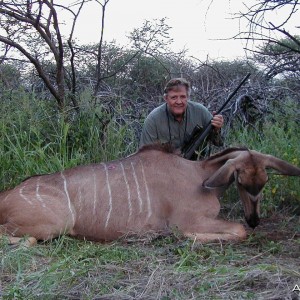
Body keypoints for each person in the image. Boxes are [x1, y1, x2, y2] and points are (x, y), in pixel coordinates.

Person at [139, 77, 224, 159]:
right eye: (174, 97)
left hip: (197, 165)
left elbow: (219, 143)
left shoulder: (201, 112)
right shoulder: (153, 119)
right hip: (166, 168)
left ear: (188, 97)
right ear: (166, 98)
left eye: (182, 97)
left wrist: (216, 129)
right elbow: (144, 156)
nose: (179, 102)